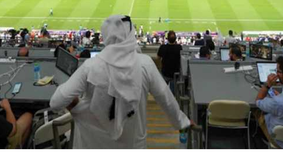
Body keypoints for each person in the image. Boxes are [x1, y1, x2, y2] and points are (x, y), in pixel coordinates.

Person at [49, 15, 192, 148]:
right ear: (131, 34)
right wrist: (183, 122)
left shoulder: (90, 66)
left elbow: (56, 102)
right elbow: (166, 99)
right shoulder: (145, 64)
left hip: (93, 145)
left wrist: (77, 107)